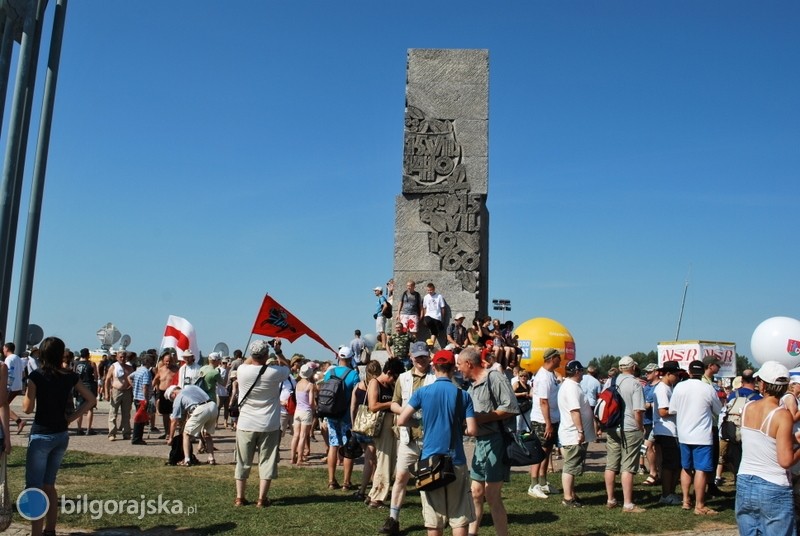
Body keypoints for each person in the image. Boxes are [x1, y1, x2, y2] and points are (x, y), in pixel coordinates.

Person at [397, 349, 477, 536]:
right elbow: (472, 430)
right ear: (452, 369)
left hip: (430, 461)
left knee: (434, 520)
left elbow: (401, 420)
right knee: (459, 518)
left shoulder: (422, 393)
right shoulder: (462, 395)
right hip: (455, 459)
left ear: (434, 367)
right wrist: (460, 428)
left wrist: (419, 422)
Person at [22, 336, 96, 536]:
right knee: (49, 484)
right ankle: (50, 530)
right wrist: (71, 418)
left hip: (41, 435)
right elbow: (90, 399)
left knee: (35, 488)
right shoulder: (70, 376)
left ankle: (36, 532)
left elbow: (27, 409)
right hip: (61, 434)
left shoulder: (36, 376)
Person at [457, 347, 518, 536]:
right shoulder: (471, 386)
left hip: (496, 441)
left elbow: (510, 408)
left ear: (469, 364)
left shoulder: (495, 378)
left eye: (459, 365)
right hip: (480, 443)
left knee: (492, 495)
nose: (458, 369)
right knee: (476, 493)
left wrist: (480, 418)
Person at [736, 361, 800, 535]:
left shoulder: (748, 407)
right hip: (773, 485)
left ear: (762, 384)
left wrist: (793, 439)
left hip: (745, 480)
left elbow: (761, 439)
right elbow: (786, 461)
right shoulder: (782, 415)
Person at [379, 341, 435, 536]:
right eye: (417, 356)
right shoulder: (403, 378)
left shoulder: (436, 378)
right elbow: (394, 404)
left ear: (429, 356)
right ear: (411, 357)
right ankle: (393, 518)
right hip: (407, 437)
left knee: (429, 480)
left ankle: (432, 520)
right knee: (401, 477)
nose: (420, 360)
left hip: (429, 437)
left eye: (424, 356)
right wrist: (405, 412)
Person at [232, 339, 290, 506]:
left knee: (242, 462)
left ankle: (239, 497)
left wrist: (258, 346)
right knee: (267, 462)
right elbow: (287, 367)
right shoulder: (274, 372)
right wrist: (277, 351)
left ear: (252, 354)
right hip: (269, 423)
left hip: (245, 423)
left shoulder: (242, 370)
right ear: (266, 355)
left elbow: (250, 361)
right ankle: (261, 499)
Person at [669, 359, 722, 515]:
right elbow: (718, 410)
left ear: (690, 372)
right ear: (703, 371)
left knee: (686, 467)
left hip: (684, 434)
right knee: (701, 470)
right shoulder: (708, 389)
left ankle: (686, 500)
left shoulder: (679, 387)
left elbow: (673, 409)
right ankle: (699, 504)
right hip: (702, 435)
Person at [604, 355, 646, 513]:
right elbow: (638, 410)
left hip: (613, 426)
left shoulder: (612, 382)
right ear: (633, 367)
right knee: (628, 466)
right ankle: (628, 503)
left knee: (611, 464)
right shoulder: (635, 384)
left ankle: (610, 499)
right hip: (629, 427)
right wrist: (640, 427)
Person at [366, 359, 405, 508]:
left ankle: (374, 495)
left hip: (389, 426)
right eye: (394, 376)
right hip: (381, 425)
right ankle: (377, 498)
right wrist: (391, 404)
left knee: (389, 462)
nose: (394, 380)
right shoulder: (374, 383)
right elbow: (373, 406)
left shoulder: (390, 384)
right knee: (384, 461)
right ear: (389, 372)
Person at [557, 360, 595, 507]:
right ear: (577, 372)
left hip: (572, 433)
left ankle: (571, 493)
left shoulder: (570, 386)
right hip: (573, 434)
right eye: (581, 371)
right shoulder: (571, 388)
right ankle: (567, 497)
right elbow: (574, 411)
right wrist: (580, 431)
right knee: (570, 466)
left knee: (573, 466)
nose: (583, 374)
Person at [324, 346, 360, 491]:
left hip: (331, 414)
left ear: (338, 357)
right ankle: (346, 482)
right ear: (351, 358)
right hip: (346, 416)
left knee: (333, 446)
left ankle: (331, 480)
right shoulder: (353, 375)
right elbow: (356, 397)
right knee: (348, 447)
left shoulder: (329, 373)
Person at [528, 348, 561, 499]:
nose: (560, 360)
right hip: (542, 420)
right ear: (552, 358)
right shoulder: (543, 377)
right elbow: (543, 402)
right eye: (558, 357)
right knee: (539, 452)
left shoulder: (551, 374)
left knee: (547, 451)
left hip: (551, 418)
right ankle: (533, 484)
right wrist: (548, 423)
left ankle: (543, 481)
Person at [652, 361, 683, 506]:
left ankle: (671, 492)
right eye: (676, 375)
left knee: (675, 464)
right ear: (668, 374)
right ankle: (666, 494)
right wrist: (680, 409)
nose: (677, 377)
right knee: (669, 465)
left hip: (671, 431)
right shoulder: (662, 389)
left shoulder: (669, 388)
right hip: (666, 431)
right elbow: (663, 411)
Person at [291, 362, 318, 466]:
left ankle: (293, 457)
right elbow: (311, 402)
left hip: (297, 411)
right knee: (302, 436)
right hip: (306, 411)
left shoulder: (297, 384)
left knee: (295, 436)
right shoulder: (310, 385)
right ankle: (300, 459)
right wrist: (315, 407)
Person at [105, 350, 133, 441]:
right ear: (117, 357)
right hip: (116, 391)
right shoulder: (113, 367)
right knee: (113, 413)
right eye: (120, 357)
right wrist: (106, 392)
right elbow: (107, 380)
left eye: (124, 357)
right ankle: (112, 433)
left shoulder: (129, 368)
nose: (122, 358)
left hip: (127, 392)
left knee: (126, 414)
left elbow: (133, 379)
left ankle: (126, 433)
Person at [640, 363, 660, 484]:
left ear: (656, 372)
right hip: (647, 421)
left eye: (649, 372)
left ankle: (653, 472)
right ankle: (657, 472)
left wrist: (650, 405)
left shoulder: (661, 386)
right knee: (653, 447)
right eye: (646, 372)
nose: (646, 374)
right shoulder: (646, 386)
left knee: (647, 446)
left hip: (656, 421)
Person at [152, 350, 178, 439]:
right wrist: (153, 389)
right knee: (165, 415)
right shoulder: (160, 370)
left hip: (173, 394)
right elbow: (156, 380)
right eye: (166, 361)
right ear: (163, 361)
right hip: (163, 394)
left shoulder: (176, 369)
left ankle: (171, 433)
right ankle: (167, 432)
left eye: (169, 361)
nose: (168, 363)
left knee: (173, 415)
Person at [73, 348, 98, 435]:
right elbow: (96, 376)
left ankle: (79, 429)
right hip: (89, 385)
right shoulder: (91, 364)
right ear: (88, 355)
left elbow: (73, 374)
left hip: (79, 385)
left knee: (79, 408)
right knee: (90, 408)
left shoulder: (76, 364)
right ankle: (88, 428)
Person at [130, 354, 153, 445]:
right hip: (142, 398)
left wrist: (134, 387)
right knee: (140, 419)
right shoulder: (146, 372)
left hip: (136, 397)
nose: (152, 362)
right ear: (147, 361)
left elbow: (130, 377)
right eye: (150, 360)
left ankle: (137, 437)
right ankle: (137, 438)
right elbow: (145, 386)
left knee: (140, 418)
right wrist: (146, 398)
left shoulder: (138, 370)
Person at [4, 342, 26, 434]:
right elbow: (23, 373)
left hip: (10, 387)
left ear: (7, 349)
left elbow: (8, 372)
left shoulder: (9, 359)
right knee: (3, 406)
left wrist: (6, 386)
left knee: (2, 406)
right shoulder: (18, 358)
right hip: (18, 386)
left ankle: (19, 421)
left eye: (4, 348)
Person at [579, 365, 602, 441]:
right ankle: (595, 437)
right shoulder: (597, 382)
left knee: (581, 418)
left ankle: (581, 433)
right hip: (592, 402)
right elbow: (599, 394)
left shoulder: (581, 378)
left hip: (582, 401)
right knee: (594, 419)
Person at [421, 282, 447, 348]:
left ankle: (431, 344)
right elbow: (424, 308)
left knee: (434, 331)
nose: (429, 292)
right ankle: (432, 342)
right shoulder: (426, 297)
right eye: (428, 290)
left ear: (434, 289)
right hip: (428, 315)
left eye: (431, 290)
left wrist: (442, 318)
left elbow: (442, 307)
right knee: (429, 321)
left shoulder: (439, 296)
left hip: (437, 316)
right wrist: (424, 317)